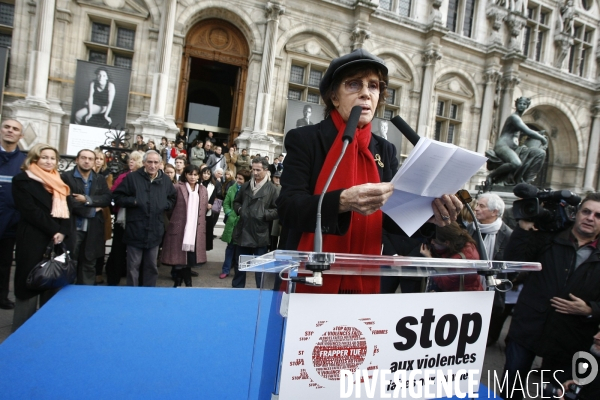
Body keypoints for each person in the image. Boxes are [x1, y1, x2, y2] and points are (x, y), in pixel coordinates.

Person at [277, 48, 463, 294]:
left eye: (373, 86)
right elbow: (288, 209)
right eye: (354, 84)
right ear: (334, 96)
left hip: (365, 276)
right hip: (311, 276)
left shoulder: (385, 149)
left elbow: (389, 218)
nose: (366, 93)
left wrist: (428, 218)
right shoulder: (305, 139)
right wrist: (341, 202)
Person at [501, 193, 600, 400]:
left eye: (598, 215)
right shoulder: (549, 238)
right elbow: (513, 262)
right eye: (586, 212)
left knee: (556, 394)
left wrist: (591, 309)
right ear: (577, 213)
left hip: (571, 337)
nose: (590, 218)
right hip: (528, 327)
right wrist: (524, 228)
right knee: (510, 390)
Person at [11, 143, 74, 331]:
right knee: (29, 283)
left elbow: (68, 211)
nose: (49, 161)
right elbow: (30, 210)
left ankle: (46, 327)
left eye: (52, 158)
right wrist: (54, 230)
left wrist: (62, 232)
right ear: (35, 158)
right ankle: (22, 329)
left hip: (57, 240)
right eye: (44, 157)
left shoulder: (60, 183)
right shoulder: (22, 180)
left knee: (53, 282)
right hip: (33, 238)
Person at [113, 150, 176, 287]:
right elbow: (118, 196)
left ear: (160, 164)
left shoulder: (165, 180)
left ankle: (149, 293)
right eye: (149, 162)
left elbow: (172, 198)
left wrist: (164, 204)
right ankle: (133, 293)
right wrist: (134, 201)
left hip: (155, 230)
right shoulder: (132, 178)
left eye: (156, 162)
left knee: (151, 266)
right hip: (135, 229)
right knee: (133, 266)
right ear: (143, 163)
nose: (152, 165)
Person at [469, 193, 513, 346]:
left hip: (493, 289)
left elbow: (512, 266)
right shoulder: (470, 228)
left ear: (495, 212)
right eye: (477, 205)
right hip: (469, 285)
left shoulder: (508, 235)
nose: (476, 209)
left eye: (481, 206)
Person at [61, 149, 111, 286]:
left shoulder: (99, 179)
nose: (87, 161)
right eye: (83, 158)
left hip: (93, 228)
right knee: (70, 262)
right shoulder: (66, 177)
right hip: (73, 227)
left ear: (95, 162)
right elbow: (70, 202)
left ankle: (84, 296)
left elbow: (107, 199)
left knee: (89, 264)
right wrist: (92, 210)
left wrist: (87, 200)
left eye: (90, 159)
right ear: (77, 160)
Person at [231, 158, 279, 288]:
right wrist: (241, 210)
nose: (255, 172)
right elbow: (236, 202)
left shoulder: (272, 189)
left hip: (260, 233)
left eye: (258, 170)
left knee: (261, 268)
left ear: (266, 170)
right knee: (240, 265)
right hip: (243, 230)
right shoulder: (246, 186)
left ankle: (261, 292)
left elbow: (278, 210)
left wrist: (263, 214)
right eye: (253, 169)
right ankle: (237, 291)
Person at [160, 164, 208, 287]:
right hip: (179, 228)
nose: (192, 177)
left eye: (195, 174)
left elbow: (203, 209)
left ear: (199, 176)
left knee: (189, 260)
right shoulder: (177, 187)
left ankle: (182, 282)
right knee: (179, 259)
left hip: (195, 230)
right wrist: (177, 220)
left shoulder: (202, 190)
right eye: (190, 174)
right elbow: (169, 208)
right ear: (185, 174)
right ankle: (183, 283)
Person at [485, 97, 548, 187]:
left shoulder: (519, 119)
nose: (521, 105)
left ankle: (525, 181)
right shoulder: (514, 117)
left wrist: (538, 134)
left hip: (515, 148)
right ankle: (491, 176)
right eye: (520, 103)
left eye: (524, 104)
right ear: (516, 105)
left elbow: (525, 133)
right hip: (503, 146)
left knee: (540, 153)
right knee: (516, 163)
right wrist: (542, 139)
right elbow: (527, 131)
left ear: (527, 106)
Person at [105, 151, 144, 286]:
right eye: (130, 159)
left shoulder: (144, 178)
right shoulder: (123, 176)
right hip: (123, 219)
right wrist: (132, 201)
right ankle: (113, 279)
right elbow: (115, 194)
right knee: (118, 249)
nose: (131, 162)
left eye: (135, 160)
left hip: (139, 220)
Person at [0, 119, 25, 309]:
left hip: (11, 222)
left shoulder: (24, 162)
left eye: (15, 129)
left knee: (5, 262)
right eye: (7, 127)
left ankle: (2, 296)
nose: (10, 131)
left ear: (20, 135)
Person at [419, 222, 483, 291]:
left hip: (463, 296)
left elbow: (444, 284)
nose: (432, 242)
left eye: (435, 241)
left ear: (447, 242)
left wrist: (429, 259)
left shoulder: (459, 260)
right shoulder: (464, 243)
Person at [220, 170, 251, 279]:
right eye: (237, 178)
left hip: (244, 222)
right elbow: (226, 202)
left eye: (240, 179)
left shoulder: (250, 190)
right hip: (232, 221)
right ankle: (225, 269)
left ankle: (240, 272)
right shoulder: (232, 188)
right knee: (230, 247)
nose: (238, 180)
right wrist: (229, 212)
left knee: (242, 249)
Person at [92, 149, 113, 284]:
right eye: (96, 158)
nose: (98, 161)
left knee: (100, 241)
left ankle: (98, 272)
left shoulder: (107, 175)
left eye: (101, 159)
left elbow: (106, 192)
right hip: (86, 210)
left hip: (102, 210)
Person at [200, 167, 217, 252]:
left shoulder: (212, 185)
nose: (206, 175)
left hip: (208, 211)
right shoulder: (198, 183)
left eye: (208, 174)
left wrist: (210, 204)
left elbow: (213, 196)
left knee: (207, 231)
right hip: (198, 211)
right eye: (204, 173)